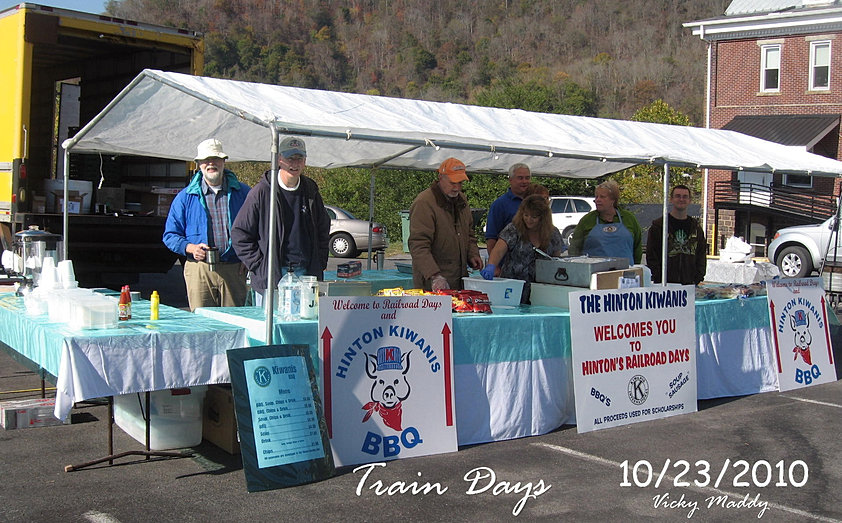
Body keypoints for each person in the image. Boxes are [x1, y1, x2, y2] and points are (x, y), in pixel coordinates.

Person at [231, 136, 330, 305]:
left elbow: (323, 227)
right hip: (273, 277)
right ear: (279, 160)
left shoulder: (311, 190)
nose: (295, 163)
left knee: (305, 327)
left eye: (299, 158)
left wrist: (320, 261)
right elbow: (240, 233)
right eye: (290, 158)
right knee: (271, 329)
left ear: (305, 161)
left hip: (306, 275)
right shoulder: (261, 192)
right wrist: (259, 265)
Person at [163, 138, 250, 311]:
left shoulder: (245, 193)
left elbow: (260, 230)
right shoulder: (185, 197)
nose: (211, 164)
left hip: (235, 269)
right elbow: (170, 235)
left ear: (224, 161)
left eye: (216, 159)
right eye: (206, 160)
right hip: (198, 270)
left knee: (236, 325)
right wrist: (190, 248)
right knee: (202, 326)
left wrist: (250, 259)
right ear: (199, 164)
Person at [409, 157, 483, 291]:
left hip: (459, 280)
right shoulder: (424, 203)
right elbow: (418, 245)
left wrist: (473, 254)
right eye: (453, 183)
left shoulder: (462, 200)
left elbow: (469, 233)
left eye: (460, 183)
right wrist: (435, 276)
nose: (457, 188)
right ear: (440, 178)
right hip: (430, 283)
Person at [480, 195, 563, 303]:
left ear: (543, 217)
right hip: (512, 289)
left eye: (534, 217)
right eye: (526, 215)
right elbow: (499, 250)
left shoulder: (553, 233)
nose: (529, 220)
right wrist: (492, 265)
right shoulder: (513, 229)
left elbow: (556, 259)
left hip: (541, 291)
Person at [568, 179, 642, 264]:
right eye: (596, 197)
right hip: (595, 274)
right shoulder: (587, 220)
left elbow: (637, 248)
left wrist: (636, 268)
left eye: (602, 197)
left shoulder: (629, 218)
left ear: (613, 200)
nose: (597, 200)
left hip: (624, 273)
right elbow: (574, 248)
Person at [646, 184, 707, 285]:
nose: (681, 199)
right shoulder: (659, 226)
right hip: (664, 285)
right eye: (678, 196)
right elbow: (651, 256)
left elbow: (701, 255)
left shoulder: (696, 228)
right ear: (671, 199)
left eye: (685, 196)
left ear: (690, 200)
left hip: (689, 285)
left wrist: (698, 277)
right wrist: (658, 277)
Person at [485, 163, 532, 253]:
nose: (524, 181)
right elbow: (491, 238)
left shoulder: (534, 202)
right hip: (507, 264)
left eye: (527, 178)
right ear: (510, 180)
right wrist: (494, 265)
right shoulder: (499, 205)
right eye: (520, 178)